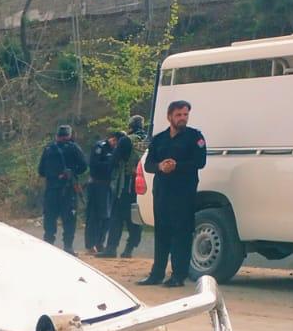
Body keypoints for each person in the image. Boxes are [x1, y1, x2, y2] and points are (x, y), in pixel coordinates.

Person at [139, 101, 207, 288]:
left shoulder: (195, 137)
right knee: (162, 233)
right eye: (179, 115)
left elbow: (200, 162)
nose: (183, 118)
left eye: (185, 115)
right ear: (170, 116)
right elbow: (148, 164)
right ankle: (156, 273)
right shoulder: (160, 139)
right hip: (162, 193)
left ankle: (178, 275)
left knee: (181, 234)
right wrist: (160, 166)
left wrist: (177, 166)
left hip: (183, 193)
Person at [37, 124, 87, 253]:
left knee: (50, 218)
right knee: (69, 220)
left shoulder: (48, 148)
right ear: (69, 135)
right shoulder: (74, 148)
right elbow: (83, 167)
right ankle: (68, 247)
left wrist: (53, 175)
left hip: (51, 189)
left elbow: (41, 171)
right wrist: (71, 172)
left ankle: (48, 244)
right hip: (68, 190)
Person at [100, 124, 144, 258]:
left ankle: (111, 249)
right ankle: (129, 249)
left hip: (125, 185)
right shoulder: (149, 139)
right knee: (136, 219)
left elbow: (113, 160)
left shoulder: (126, 140)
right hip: (142, 186)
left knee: (117, 217)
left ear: (130, 127)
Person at [84, 131, 116, 255]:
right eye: (115, 141)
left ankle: (100, 243)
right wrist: (110, 164)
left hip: (108, 185)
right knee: (93, 216)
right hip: (97, 184)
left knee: (106, 217)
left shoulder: (115, 150)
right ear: (112, 139)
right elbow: (94, 165)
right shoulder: (100, 147)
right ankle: (90, 245)